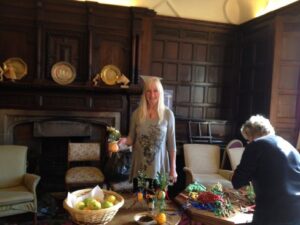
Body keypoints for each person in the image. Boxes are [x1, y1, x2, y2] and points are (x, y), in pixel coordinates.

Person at [231, 115, 300, 225]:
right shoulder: (289, 146)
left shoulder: (256, 144)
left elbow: (238, 181)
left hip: (272, 214)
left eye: (248, 139)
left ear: (251, 134)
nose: (248, 142)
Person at [119, 76, 178, 192]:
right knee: (139, 204)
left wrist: (173, 168)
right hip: (140, 169)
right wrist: (123, 141)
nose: (152, 95)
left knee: (158, 204)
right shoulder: (137, 114)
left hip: (159, 168)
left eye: (155, 91)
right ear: (144, 94)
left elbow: (172, 145)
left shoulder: (168, 114)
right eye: (148, 91)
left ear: (160, 93)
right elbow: (131, 139)